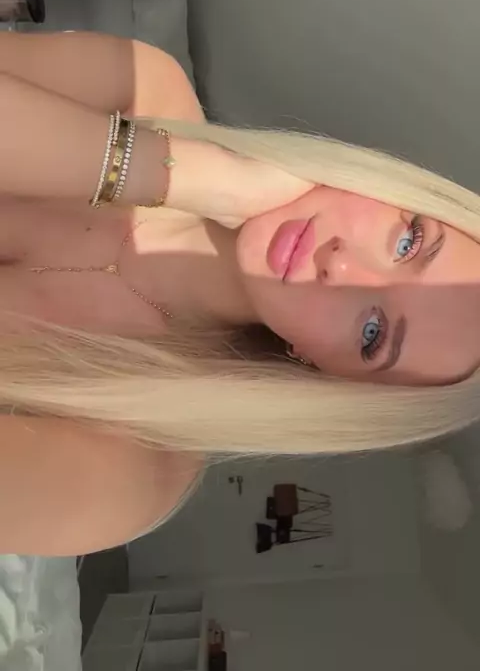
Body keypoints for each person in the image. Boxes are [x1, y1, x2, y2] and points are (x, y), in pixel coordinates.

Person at [1, 30, 480, 556]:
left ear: (325, 372)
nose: (341, 262)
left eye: (372, 334)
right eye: (409, 242)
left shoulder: (139, 466)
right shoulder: (144, 87)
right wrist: (197, 179)